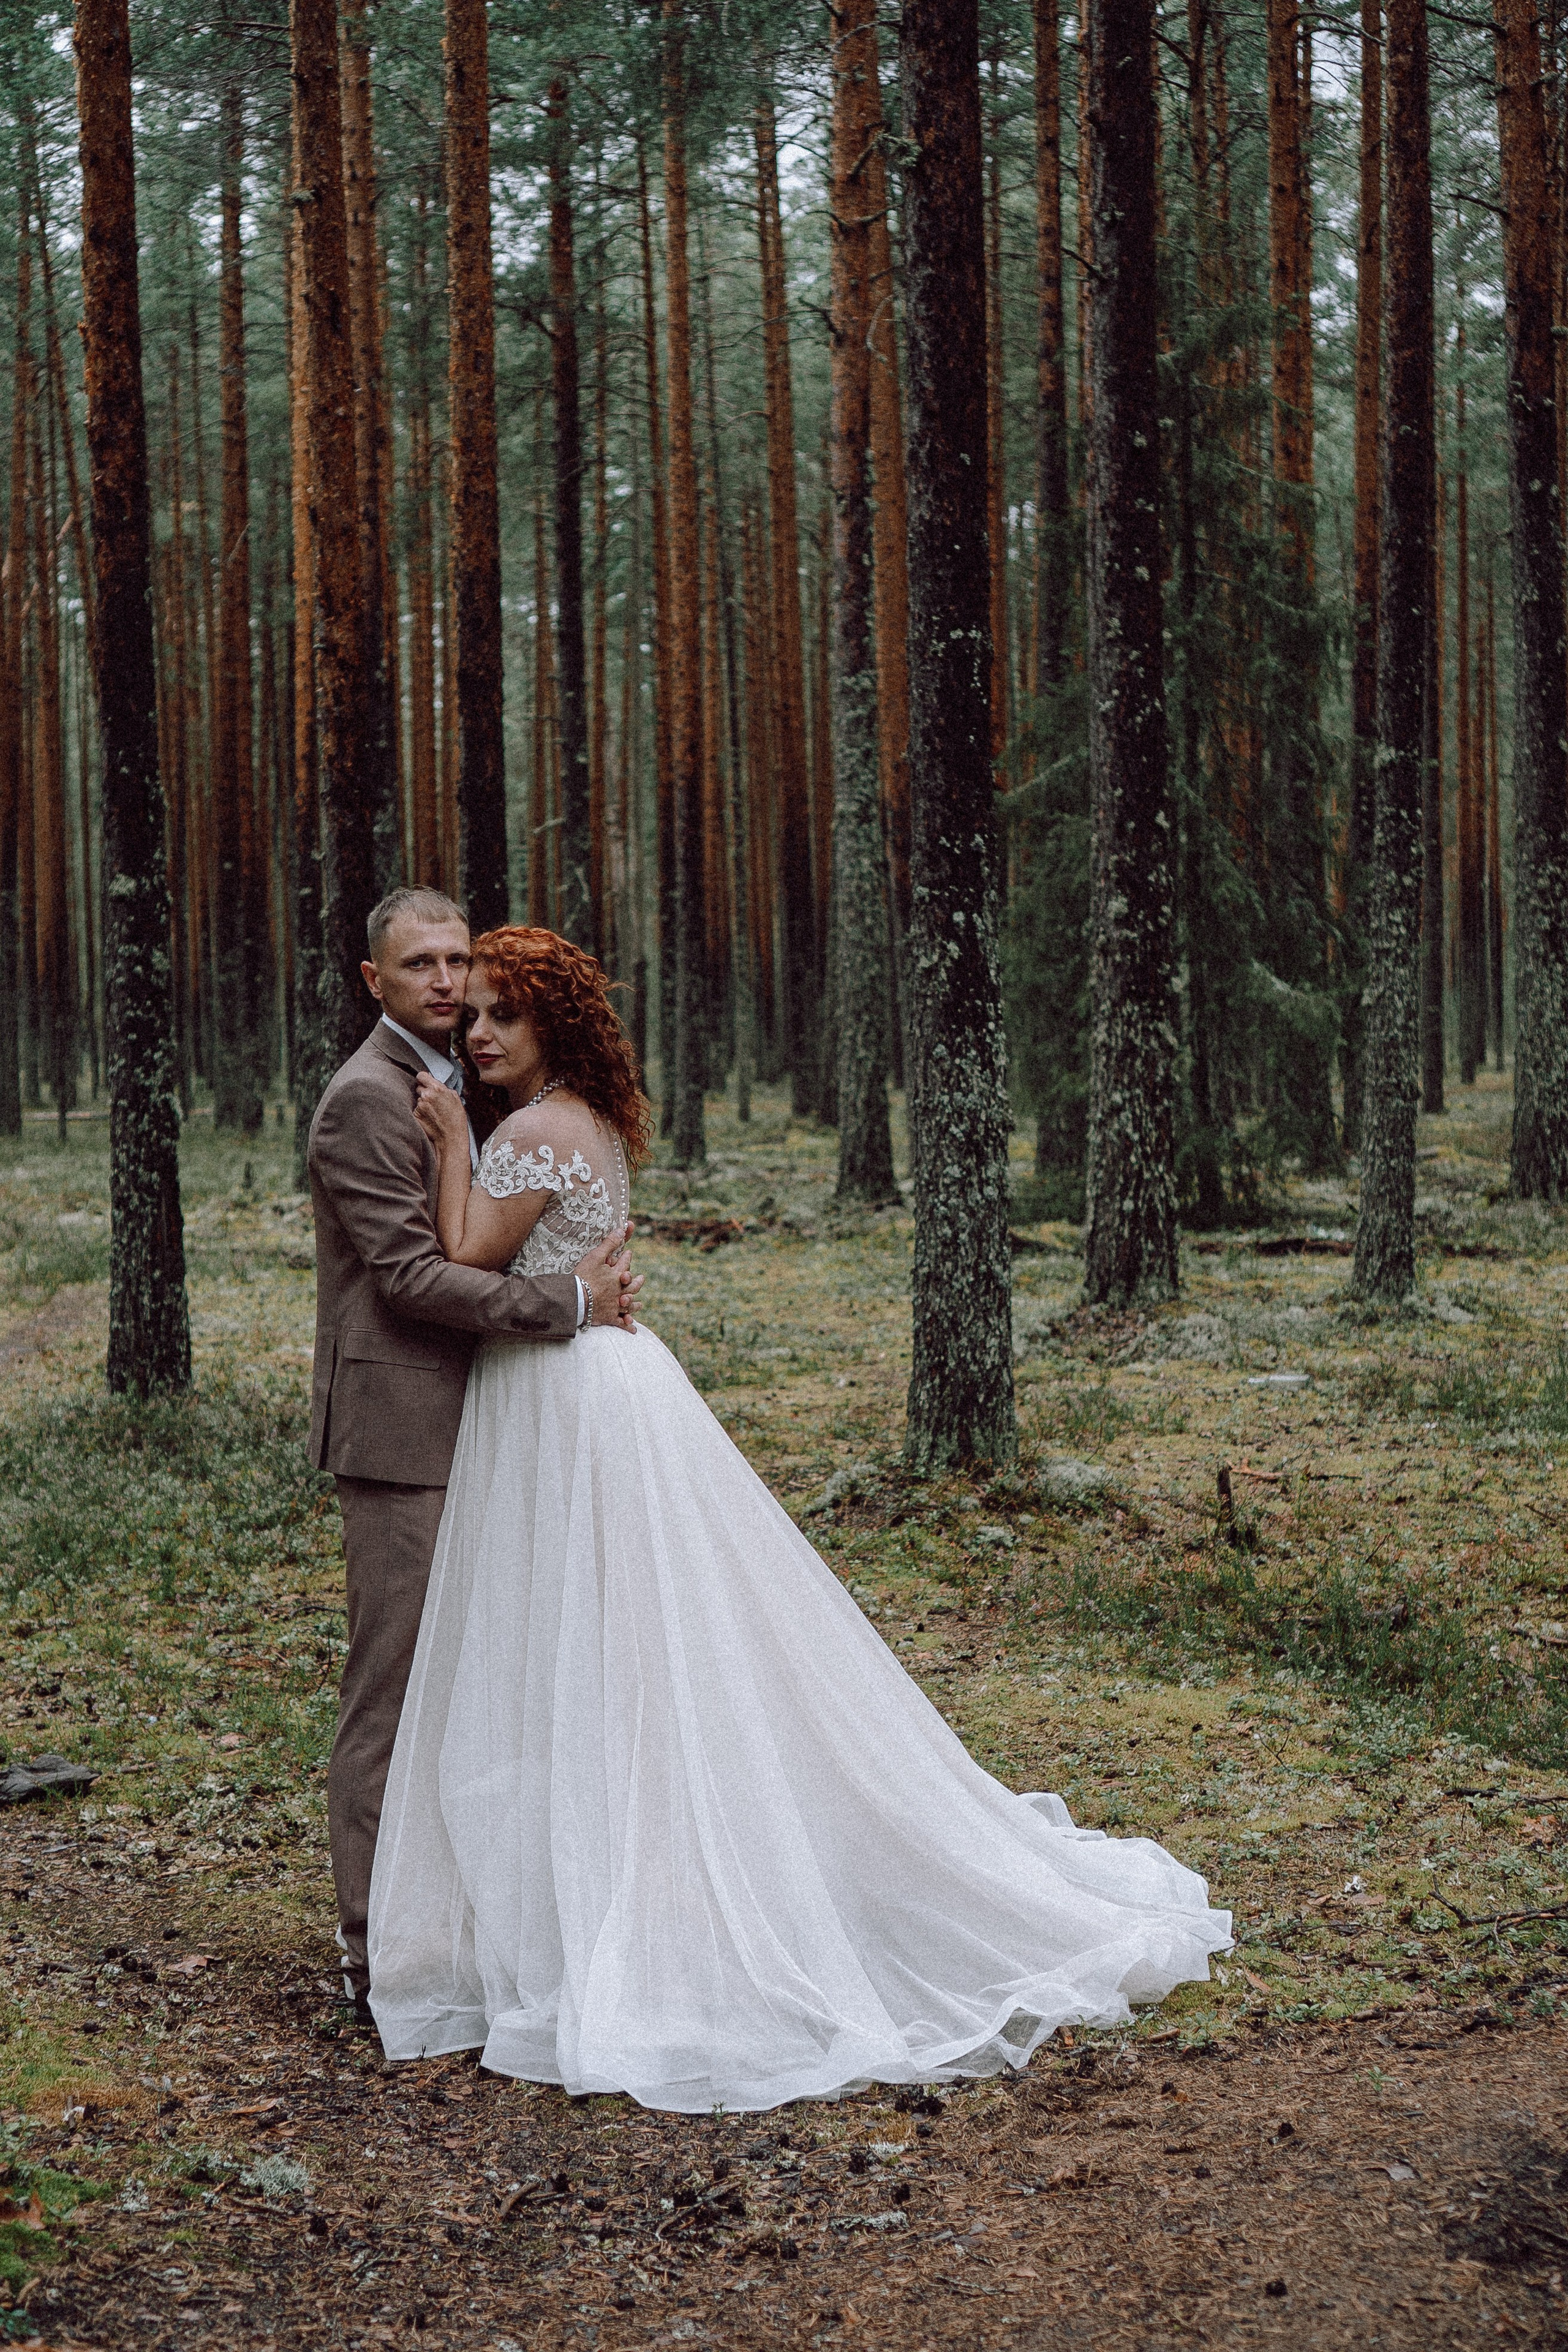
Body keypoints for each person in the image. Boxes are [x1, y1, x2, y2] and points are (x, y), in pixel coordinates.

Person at [366, 925, 1230, 2113]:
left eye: (504, 1015)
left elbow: (464, 1251)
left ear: (553, 1027)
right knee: (623, 1644)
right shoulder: (595, 1125)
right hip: (598, 1382)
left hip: (565, 1395)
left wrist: (453, 1139)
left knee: (588, 1645)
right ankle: (610, 1876)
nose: (479, 1032)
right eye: (475, 1015)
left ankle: (625, 1895)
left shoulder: (524, 1131)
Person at [307, 887, 639, 2023]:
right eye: (422, 966)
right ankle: (376, 1957)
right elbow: (408, 1278)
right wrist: (572, 1300)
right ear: (376, 982)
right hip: (406, 1436)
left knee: (498, 1685)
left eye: (459, 963)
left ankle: (478, 1927)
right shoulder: (365, 1101)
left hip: (509, 1424)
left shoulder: (474, 1085)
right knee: (395, 1695)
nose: (447, 984)